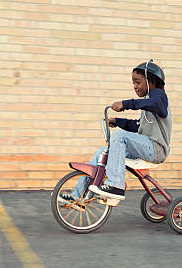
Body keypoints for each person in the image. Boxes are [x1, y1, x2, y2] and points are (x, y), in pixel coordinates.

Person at [61, 60, 172, 202]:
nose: (135, 87)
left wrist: (126, 104)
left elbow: (156, 104)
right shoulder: (148, 101)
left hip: (156, 149)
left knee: (119, 136)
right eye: (133, 83)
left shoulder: (159, 97)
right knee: (101, 152)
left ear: (151, 81)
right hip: (144, 148)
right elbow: (138, 126)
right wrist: (118, 121)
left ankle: (115, 185)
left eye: (138, 82)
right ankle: (77, 197)